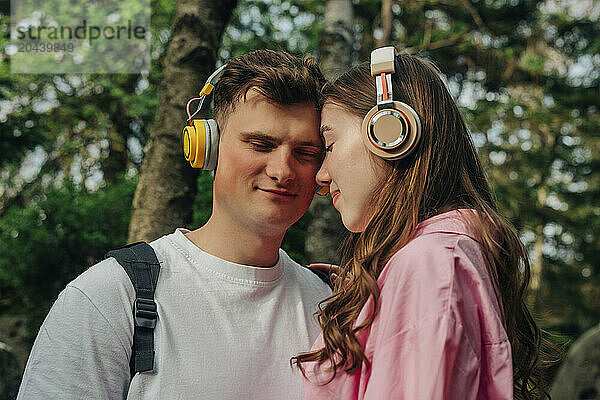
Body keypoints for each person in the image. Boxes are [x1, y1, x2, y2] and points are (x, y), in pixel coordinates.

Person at [18, 50, 331, 399]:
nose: (282, 170)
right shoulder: (111, 296)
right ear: (207, 146)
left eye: (305, 153)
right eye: (260, 145)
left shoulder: (331, 305)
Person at [292, 47, 554, 399]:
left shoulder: (430, 266)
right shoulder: (440, 260)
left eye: (330, 144)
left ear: (389, 133)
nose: (321, 175)